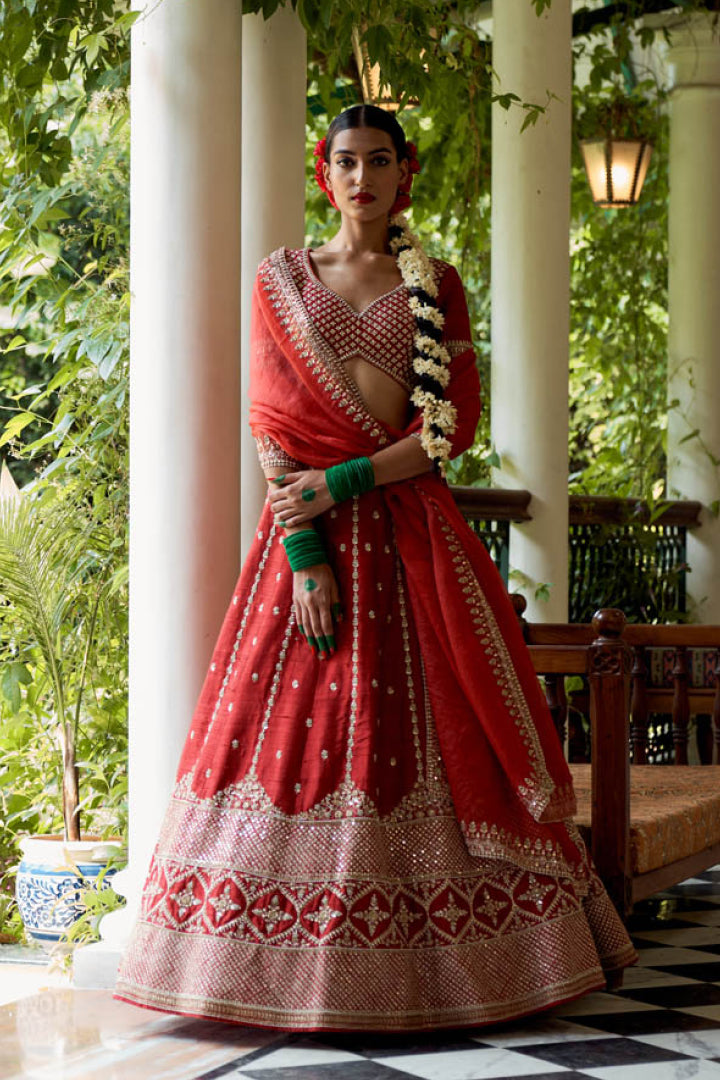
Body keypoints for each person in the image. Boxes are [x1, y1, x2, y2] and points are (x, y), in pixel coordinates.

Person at [114, 103, 635, 1032]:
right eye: (347, 162)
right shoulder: (283, 280)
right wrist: (306, 552)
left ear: (405, 174)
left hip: (410, 542)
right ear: (327, 173)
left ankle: (449, 975)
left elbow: (447, 432)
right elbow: (272, 428)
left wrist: (340, 479)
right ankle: (257, 970)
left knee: (440, 729)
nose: (363, 178)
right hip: (306, 554)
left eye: (380, 161)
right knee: (293, 741)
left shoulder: (434, 285)